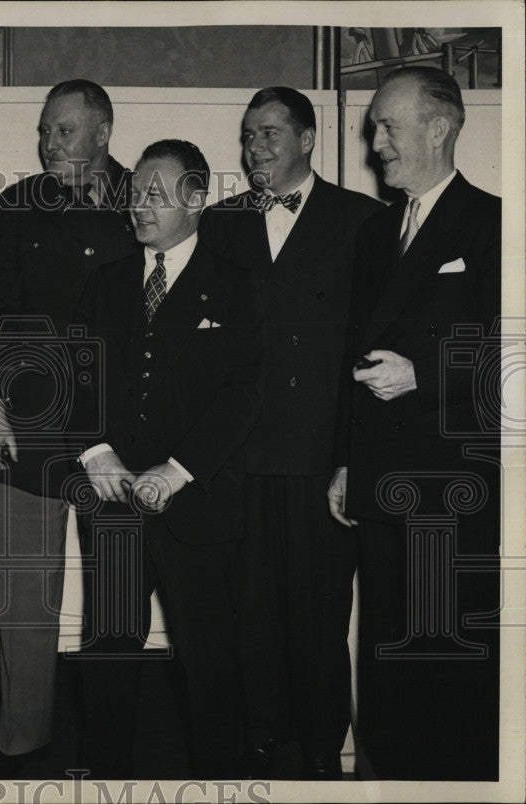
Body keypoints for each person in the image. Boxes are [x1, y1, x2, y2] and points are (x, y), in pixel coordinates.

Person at [197, 86, 381, 779]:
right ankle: (261, 754)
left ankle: (318, 760)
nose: (255, 149)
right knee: (247, 621)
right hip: (237, 461)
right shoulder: (218, 224)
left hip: (317, 463)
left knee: (318, 621)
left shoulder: (363, 220)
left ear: (307, 139)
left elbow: (367, 347)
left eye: (270, 134)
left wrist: (350, 460)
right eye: (247, 137)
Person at [328, 66, 501, 780]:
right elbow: (350, 355)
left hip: (449, 488)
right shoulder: (374, 234)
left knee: (444, 664)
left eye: (388, 126)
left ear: (439, 127)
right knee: (387, 655)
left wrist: (424, 375)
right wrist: (345, 461)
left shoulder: (493, 224)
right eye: (374, 126)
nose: (375, 141)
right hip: (378, 485)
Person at [75, 140, 264, 778]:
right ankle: (102, 781)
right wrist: (97, 452)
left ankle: (222, 783)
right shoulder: (105, 282)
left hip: (201, 506)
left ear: (196, 199)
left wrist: (177, 470)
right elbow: (80, 375)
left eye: (156, 194)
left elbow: (245, 393)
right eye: (135, 193)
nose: (139, 206)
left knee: (209, 657)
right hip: (112, 503)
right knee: (109, 651)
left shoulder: (237, 285)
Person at [0, 78, 140, 778]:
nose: (49, 143)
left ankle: (110, 754)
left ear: (102, 132)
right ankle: (22, 746)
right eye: (45, 130)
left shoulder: (151, 195)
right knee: (25, 597)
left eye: (65, 130)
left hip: (118, 435)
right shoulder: (17, 204)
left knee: (116, 599)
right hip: (34, 427)